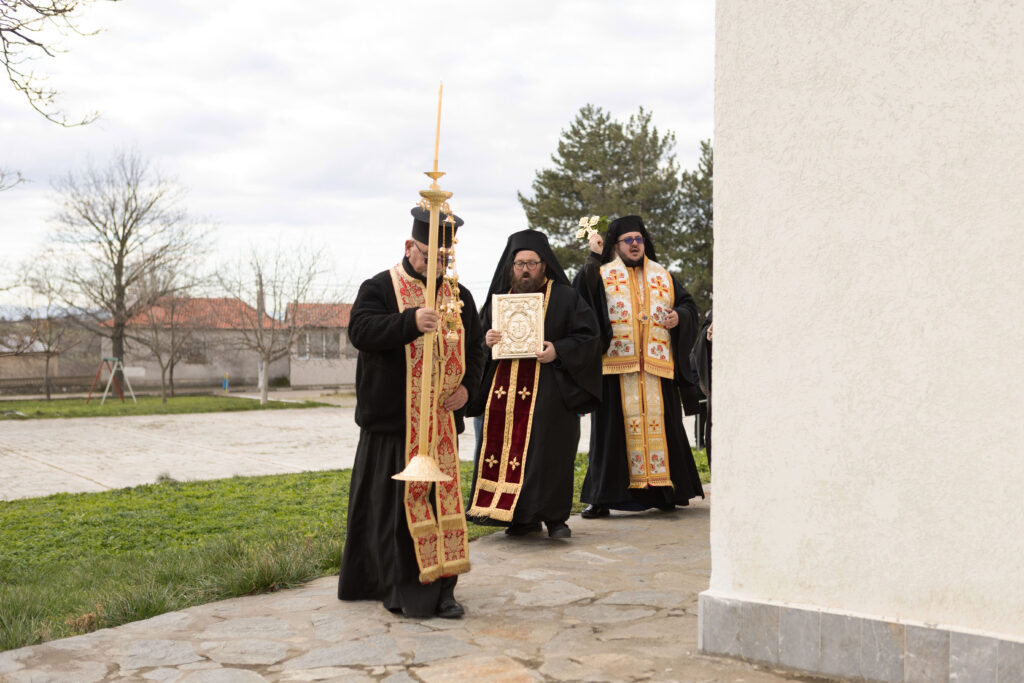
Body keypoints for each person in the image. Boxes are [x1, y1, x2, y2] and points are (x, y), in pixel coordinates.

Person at [338, 206, 484, 619]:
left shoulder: (459, 295)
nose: (436, 266)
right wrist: (409, 321)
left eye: (444, 259)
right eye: (428, 256)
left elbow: (476, 350)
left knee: (442, 508)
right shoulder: (380, 287)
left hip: (440, 428)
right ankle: (395, 588)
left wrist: (468, 390)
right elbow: (360, 331)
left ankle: (444, 590)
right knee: (394, 517)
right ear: (409, 246)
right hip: (392, 426)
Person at [467, 230, 601, 538]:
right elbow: (476, 344)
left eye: (532, 263)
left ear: (544, 265)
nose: (525, 270)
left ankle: (554, 519)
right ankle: (518, 518)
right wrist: (487, 340)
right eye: (519, 264)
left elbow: (588, 338)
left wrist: (558, 350)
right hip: (504, 393)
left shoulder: (566, 297)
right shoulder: (499, 300)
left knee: (549, 452)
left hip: (551, 391)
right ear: (511, 266)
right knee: (505, 450)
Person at [573, 214, 704, 517]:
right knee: (610, 438)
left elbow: (688, 305)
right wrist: (593, 257)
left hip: (657, 370)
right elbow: (580, 298)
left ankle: (665, 492)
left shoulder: (662, 275)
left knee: (664, 431)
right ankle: (602, 498)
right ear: (615, 245)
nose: (635, 244)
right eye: (628, 240)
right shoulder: (602, 273)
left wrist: (679, 317)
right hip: (615, 369)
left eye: (639, 239)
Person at [691, 309, 713, 469]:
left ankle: (700, 443)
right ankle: (699, 443)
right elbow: (695, 369)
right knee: (700, 418)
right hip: (701, 389)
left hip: (704, 389)